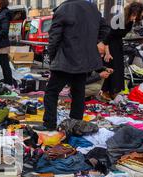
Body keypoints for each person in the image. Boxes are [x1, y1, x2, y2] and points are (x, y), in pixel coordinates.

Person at [36, 0, 110, 131]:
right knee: (78, 93)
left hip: (66, 58)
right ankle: (75, 124)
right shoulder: (92, 8)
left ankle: (49, 124)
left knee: (52, 92)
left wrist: (53, 58)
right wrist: (94, 42)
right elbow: (105, 29)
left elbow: (54, 37)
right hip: (82, 59)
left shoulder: (63, 9)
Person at [101, 2, 143, 101]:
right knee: (112, 68)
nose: (134, 18)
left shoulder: (130, 22)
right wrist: (107, 52)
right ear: (129, 13)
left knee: (118, 69)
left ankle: (113, 92)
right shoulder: (119, 19)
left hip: (118, 44)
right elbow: (108, 37)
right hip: (110, 45)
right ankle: (106, 91)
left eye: (136, 16)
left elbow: (120, 35)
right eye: (133, 15)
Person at [0, 0, 13, 86]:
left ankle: (8, 83)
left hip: (2, 43)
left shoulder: (4, 14)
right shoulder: (0, 13)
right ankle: (7, 81)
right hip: (0, 43)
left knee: (5, 65)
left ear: (1, 3)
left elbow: (4, 30)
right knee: (3, 64)